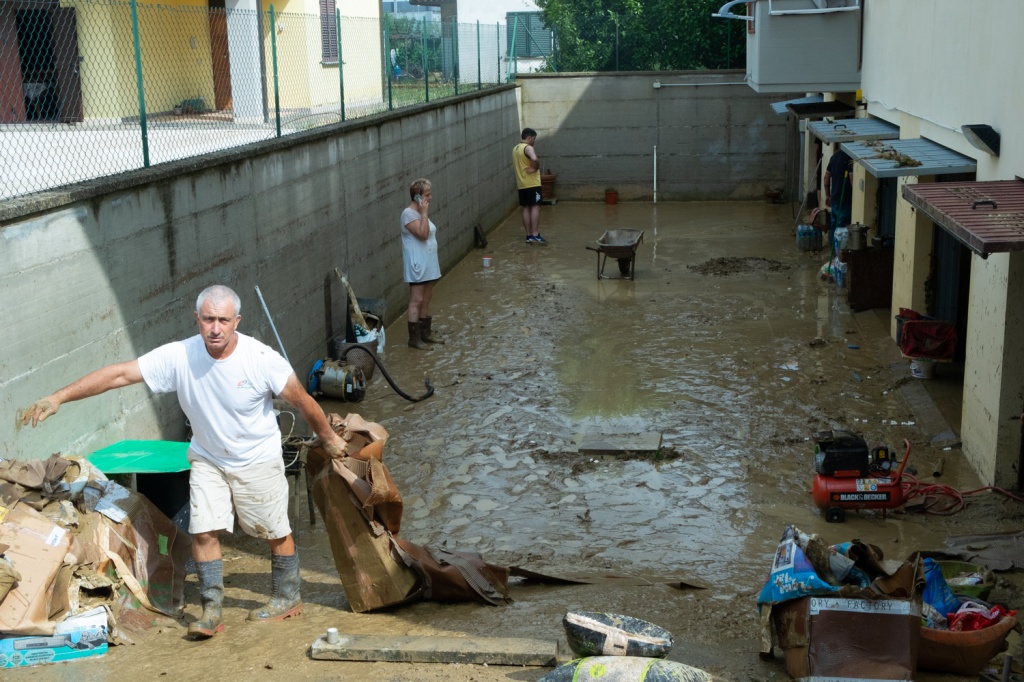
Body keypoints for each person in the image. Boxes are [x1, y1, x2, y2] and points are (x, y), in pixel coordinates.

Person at [20, 285, 346, 640]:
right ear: (197, 319)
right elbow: (119, 375)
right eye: (208, 319)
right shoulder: (180, 356)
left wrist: (328, 438)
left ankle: (288, 596)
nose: (215, 328)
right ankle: (211, 610)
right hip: (207, 457)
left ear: (237, 321)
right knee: (203, 530)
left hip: (256, 458)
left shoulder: (262, 359)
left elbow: (304, 403)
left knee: (272, 530)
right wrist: (58, 398)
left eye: (223, 320)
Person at [401, 178, 444, 350]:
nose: (430, 198)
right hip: (417, 264)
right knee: (417, 300)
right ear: (418, 197)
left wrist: (424, 213)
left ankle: (426, 334)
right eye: (427, 195)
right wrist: (424, 214)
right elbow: (423, 234)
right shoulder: (409, 214)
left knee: (426, 299)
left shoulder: (419, 212)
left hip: (429, 263)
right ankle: (414, 339)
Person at [513, 127, 546, 245]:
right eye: (534, 139)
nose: (534, 141)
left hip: (521, 184)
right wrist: (535, 167)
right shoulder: (528, 148)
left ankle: (528, 235)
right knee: (536, 207)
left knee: (526, 208)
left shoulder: (515, 149)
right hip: (532, 183)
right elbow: (535, 159)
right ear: (529, 137)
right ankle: (535, 234)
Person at [824, 147, 854, 240]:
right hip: (845, 198)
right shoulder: (850, 158)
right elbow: (852, 178)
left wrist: (828, 195)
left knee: (834, 224)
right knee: (842, 227)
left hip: (834, 197)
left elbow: (826, 177)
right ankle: (839, 251)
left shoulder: (834, 157)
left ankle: (833, 248)